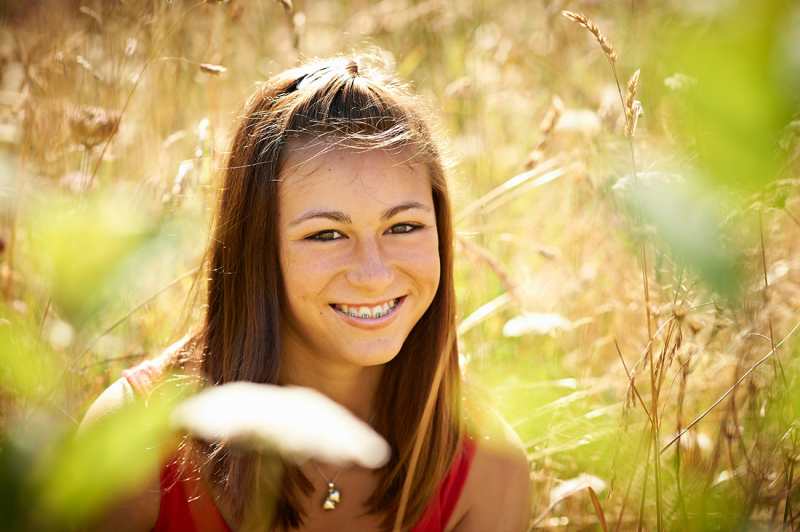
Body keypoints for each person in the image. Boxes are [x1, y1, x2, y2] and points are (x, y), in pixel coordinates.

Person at [80, 54, 531, 532]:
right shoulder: (134, 442)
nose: (374, 274)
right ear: (258, 247)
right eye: (326, 234)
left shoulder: (487, 467)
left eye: (404, 226)